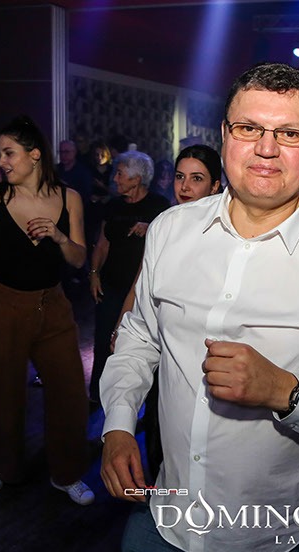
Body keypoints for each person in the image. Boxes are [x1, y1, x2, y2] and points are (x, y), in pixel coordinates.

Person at [100, 62, 299, 552]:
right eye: (249, 128)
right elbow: (140, 337)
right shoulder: (170, 231)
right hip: (169, 512)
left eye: (289, 134)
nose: (266, 148)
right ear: (226, 135)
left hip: (285, 533)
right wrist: (119, 424)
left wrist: (286, 392)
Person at [0, 115, 94, 506]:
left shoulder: (69, 198)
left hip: (52, 306)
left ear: (34, 155)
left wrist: (59, 236)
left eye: (9, 153)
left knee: (70, 393)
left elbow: (78, 259)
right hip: (2, 304)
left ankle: (67, 473)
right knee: (4, 394)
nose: (1, 162)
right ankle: (2, 467)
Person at [111, 144, 223, 481]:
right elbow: (142, 281)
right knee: (160, 425)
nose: (185, 187)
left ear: (215, 186)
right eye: (179, 177)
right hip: (162, 343)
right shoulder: (166, 225)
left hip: (205, 351)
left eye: (197, 179)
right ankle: (162, 494)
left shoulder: (227, 234)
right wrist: (122, 324)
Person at [87, 151, 169, 404]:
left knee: (138, 344)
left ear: (136, 179)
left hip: (143, 290)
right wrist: (94, 273)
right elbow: (103, 243)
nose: (115, 178)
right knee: (103, 340)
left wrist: (151, 226)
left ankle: (139, 402)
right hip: (111, 284)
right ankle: (98, 397)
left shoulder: (159, 206)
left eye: (120, 173)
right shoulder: (113, 205)